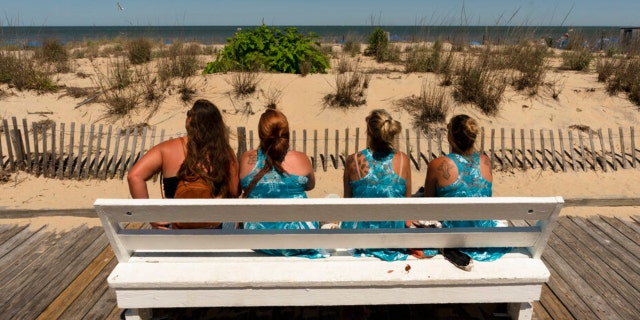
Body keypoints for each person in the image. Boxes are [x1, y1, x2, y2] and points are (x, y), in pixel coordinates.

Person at [127, 99, 240, 229]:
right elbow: (234, 191)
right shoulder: (224, 152)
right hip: (214, 228)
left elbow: (134, 176)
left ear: (189, 121)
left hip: (176, 228)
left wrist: (149, 216)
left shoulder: (166, 149)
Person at [420, 114, 510, 269]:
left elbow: (429, 204)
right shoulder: (485, 161)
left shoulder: (437, 164)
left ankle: (447, 248)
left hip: (453, 235)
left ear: (450, 138)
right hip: (482, 233)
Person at [238, 109, 324, 258]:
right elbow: (310, 186)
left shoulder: (246, 158)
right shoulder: (300, 158)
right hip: (298, 240)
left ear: (261, 134)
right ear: (286, 133)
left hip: (257, 239)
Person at [341, 109, 421, 261]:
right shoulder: (403, 159)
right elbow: (408, 203)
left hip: (359, 240)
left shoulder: (353, 161)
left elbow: (347, 204)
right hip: (395, 239)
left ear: (368, 132)